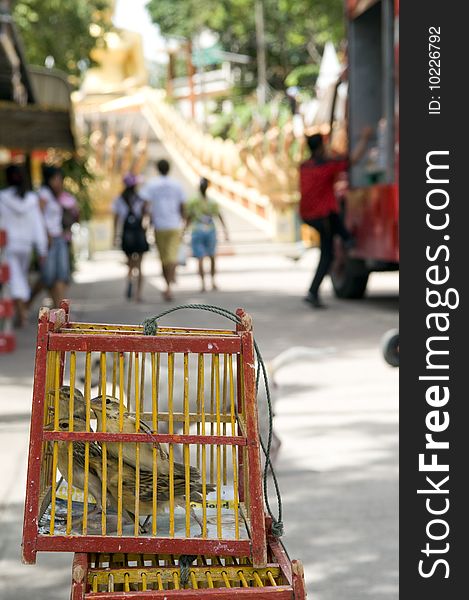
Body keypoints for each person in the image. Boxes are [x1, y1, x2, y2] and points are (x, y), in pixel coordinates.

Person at [299, 127, 372, 308]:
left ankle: (347, 238)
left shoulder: (305, 167)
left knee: (333, 226)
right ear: (321, 147)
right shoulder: (326, 166)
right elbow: (352, 159)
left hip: (309, 214)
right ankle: (313, 291)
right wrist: (365, 138)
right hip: (322, 216)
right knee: (327, 255)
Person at [0, 165, 48, 326]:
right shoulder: (32, 199)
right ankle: (21, 312)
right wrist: (42, 248)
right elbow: (38, 224)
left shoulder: (2, 198)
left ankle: (21, 313)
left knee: (14, 279)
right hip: (26, 245)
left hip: (8, 244)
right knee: (19, 276)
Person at [140, 159, 186, 301]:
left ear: (157, 169)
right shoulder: (177, 184)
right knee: (171, 257)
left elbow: (145, 204)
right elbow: (183, 205)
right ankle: (169, 286)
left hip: (159, 226)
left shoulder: (152, 184)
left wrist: (145, 219)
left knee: (164, 258)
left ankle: (167, 286)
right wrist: (184, 221)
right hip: (174, 225)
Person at [37, 165, 72, 308]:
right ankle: (58, 308)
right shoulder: (44, 193)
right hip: (49, 239)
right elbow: (38, 216)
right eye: (56, 179)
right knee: (50, 276)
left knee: (61, 275)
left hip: (59, 237)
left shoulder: (57, 195)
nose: (59, 182)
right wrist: (46, 234)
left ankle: (59, 309)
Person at [185, 178, 229, 292]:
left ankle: (203, 284)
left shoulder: (193, 201)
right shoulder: (212, 202)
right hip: (210, 230)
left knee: (200, 258)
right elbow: (219, 216)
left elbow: (188, 218)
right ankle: (213, 282)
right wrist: (225, 231)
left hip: (197, 230)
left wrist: (183, 231)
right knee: (212, 256)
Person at [112, 173, 149, 302]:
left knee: (129, 263)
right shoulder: (141, 199)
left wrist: (115, 236)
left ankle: (129, 281)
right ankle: (138, 294)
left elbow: (116, 219)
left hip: (127, 234)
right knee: (139, 265)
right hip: (138, 233)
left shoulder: (119, 199)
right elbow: (146, 216)